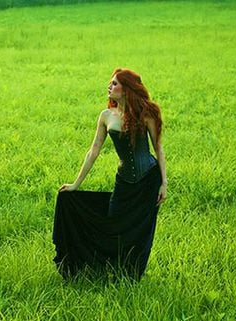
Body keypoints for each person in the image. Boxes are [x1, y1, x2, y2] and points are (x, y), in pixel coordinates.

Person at [53, 68, 167, 281]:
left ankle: (130, 274)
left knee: (140, 230)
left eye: (114, 83)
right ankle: (106, 268)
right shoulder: (106, 116)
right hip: (124, 181)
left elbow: (158, 149)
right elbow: (93, 151)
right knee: (113, 224)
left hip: (148, 181)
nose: (110, 87)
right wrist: (75, 184)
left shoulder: (146, 114)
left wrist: (164, 183)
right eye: (110, 83)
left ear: (127, 89)